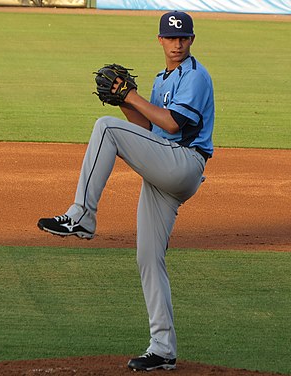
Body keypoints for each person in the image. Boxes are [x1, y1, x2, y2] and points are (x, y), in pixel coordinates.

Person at [38, 10, 214, 372]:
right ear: (160, 40)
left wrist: (131, 96)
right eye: (171, 37)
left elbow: (172, 123)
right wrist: (123, 100)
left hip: (183, 164)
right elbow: (148, 129)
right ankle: (163, 349)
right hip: (163, 169)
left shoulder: (195, 76)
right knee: (148, 258)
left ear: (192, 40)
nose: (177, 43)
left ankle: (81, 216)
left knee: (106, 129)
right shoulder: (162, 79)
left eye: (183, 38)